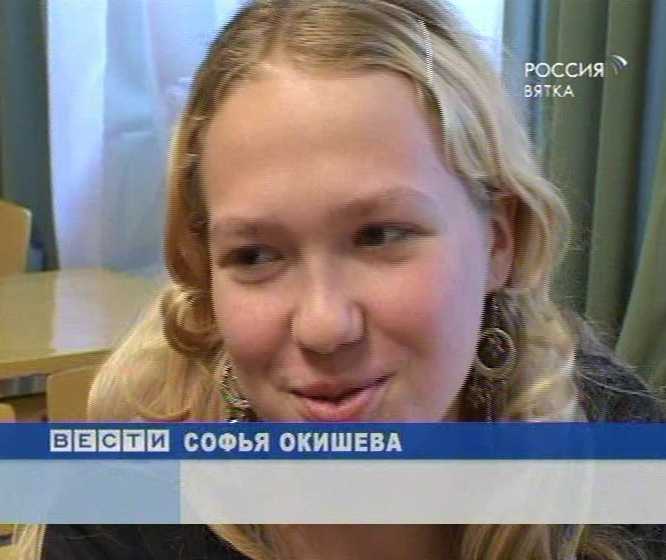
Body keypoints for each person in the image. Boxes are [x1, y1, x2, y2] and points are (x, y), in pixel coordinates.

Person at [14, 0, 665, 558]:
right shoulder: (126, 502)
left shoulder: (614, 456)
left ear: (500, 239)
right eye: (255, 255)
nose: (324, 326)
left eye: (380, 236)